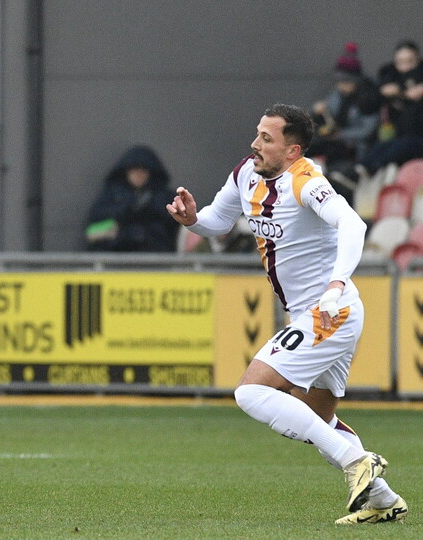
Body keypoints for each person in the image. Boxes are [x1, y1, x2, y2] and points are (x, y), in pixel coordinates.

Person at [166, 104, 407, 524]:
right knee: (318, 420)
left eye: (267, 139)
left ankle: (357, 463)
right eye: (257, 134)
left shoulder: (306, 182)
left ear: (293, 150)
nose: (255, 144)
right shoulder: (246, 172)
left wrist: (335, 283)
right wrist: (192, 220)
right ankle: (383, 500)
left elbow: (354, 226)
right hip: (319, 314)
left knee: (250, 392)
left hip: (329, 310)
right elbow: (217, 222)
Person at [309, 42, 380, 200]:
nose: (341, 86)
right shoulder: (338, 95)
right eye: (339, 82)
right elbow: (328, 114)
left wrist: (341, 134)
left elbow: (367, 130)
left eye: (346, 82)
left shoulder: (368, 99)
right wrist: (318, 112)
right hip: (336, 142)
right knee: (306, 147)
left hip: (354, 147)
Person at [84, 145, 178, 252]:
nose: (138, 174)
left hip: (155, 255)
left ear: (150, 172)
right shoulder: (112, 195)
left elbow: (173, 224)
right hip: (116, 256)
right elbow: (95, 221)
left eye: (143, 170)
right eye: (134, 169)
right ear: (126, 171)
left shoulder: (163, 196)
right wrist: (123, 213)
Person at [356, 40, 423, 177]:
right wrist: (382, 92)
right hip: (395, 135)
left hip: (417, 139)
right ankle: (360, 170)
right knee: (380, 146)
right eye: (400, 62)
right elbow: (365, 106)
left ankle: (371, 167)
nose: (405, 67)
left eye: (409, 61)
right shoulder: (390, 78)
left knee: (403, 145)